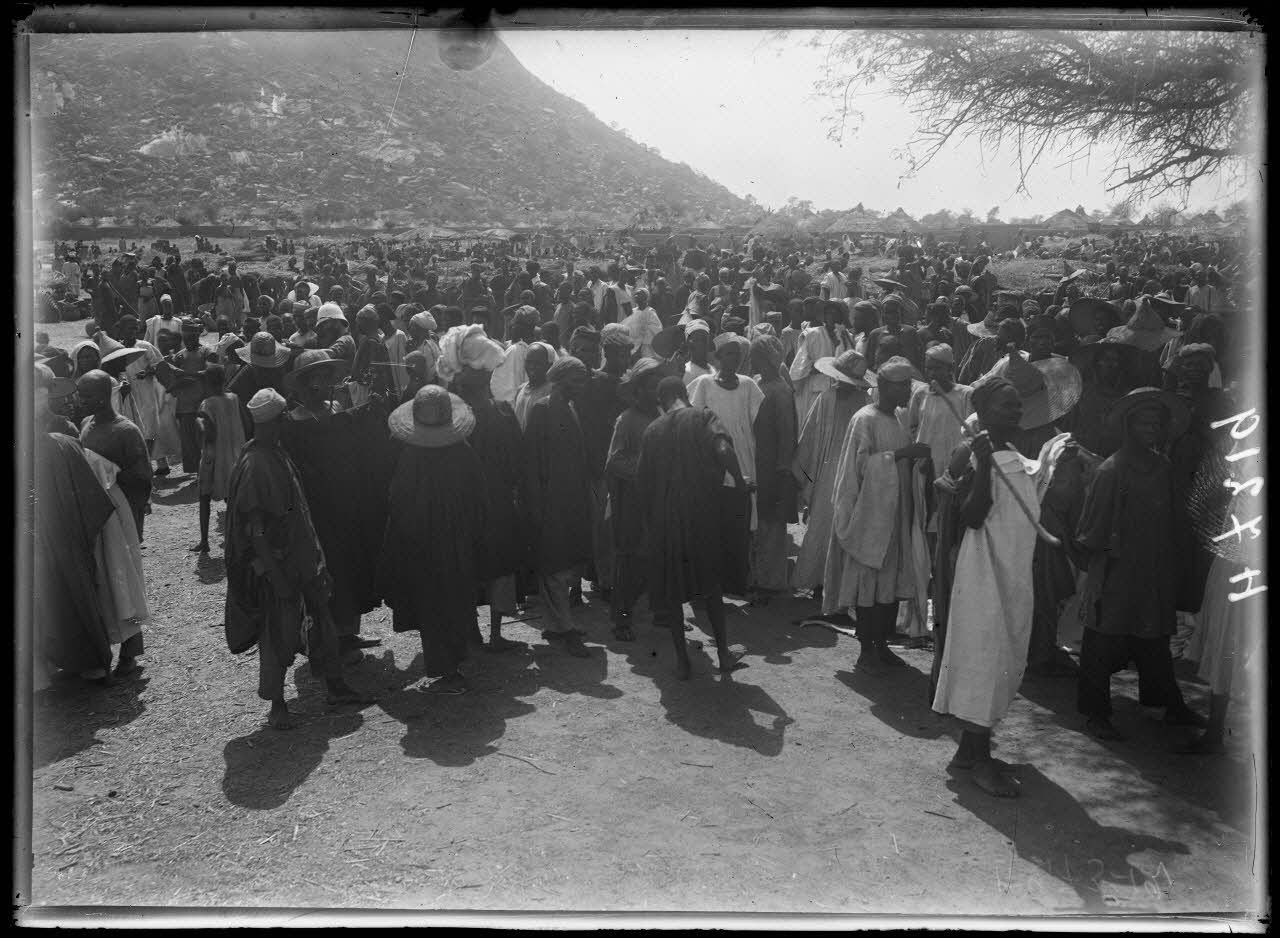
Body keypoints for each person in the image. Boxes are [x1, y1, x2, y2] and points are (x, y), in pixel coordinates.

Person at [223, 389, 374, 729]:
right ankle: (277, 706)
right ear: (274, 421)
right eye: (282, 418)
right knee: (278, 637)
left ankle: (336, 686)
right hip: (278, 567)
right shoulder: (256, 465)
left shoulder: (275, 452)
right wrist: (276, 576)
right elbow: (256, 530)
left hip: (302, 561)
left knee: (323, 623)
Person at [931, 375, 1045, 798]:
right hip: (982, 572)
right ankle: (980, 762)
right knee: (985, 658)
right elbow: (972, 516)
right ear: (981, 410)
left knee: (1001, 654)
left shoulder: (1012, 453)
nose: (1016, 410)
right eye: (1006, 405)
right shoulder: (972, 453)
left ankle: (968, 752)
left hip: (1011, 569)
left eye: (1017, 404)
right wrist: (981, 466)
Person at [1074, 387, 1206, 740]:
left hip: (1155, 568)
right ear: (1129, 426)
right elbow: (1092, 529)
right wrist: (1098, 570)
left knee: (1155, 636)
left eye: (1156, 423)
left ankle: (1165, 703)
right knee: (1102, 639)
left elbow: (1176, 518)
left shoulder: (1163, 466)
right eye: (1144, 423)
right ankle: (1096, 713)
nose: (1150, 429)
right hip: (1116, 570)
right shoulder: (1111, 470)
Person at [820, 357, 931, 671]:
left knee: (890, 584)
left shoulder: (898, 419)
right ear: (884, 386)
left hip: (894, 515)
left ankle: (882, 645)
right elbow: (859, 468)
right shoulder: (864, 419)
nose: (908, 391)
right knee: (868, 583)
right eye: (903, 386)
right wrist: (902, 454)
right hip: (870, 517)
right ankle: (866, 649)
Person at [637, 376, 752, 679]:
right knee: (711, 587)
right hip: (702, 517)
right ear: (684, 394)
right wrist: (740, 484)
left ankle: (682, 662)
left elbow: (643, 484)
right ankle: (724, 654)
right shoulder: (703, 417)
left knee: (673, 593)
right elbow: (724, 450)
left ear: (661, 401)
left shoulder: (652, 431)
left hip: (666, 523)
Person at [282, 349, 394, 657]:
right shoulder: (293, 423)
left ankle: (347, 633)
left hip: (348, 506)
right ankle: (327, 640)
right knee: (327, 572)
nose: (323, 383)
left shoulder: (338, 411)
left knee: (350, 568)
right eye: (316, 377)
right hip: (318, 512)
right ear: (304, 383)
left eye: (326, 376)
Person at [377, 386, 489, 694]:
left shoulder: (410, 456)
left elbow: (397, 502)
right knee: (454, 599)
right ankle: (453, 662)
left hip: (424, 546)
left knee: (434, 605)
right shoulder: (463, 452)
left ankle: (449, 667)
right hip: (455, 544)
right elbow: (480, 499)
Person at [448, 326, 529, 652]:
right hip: (497, 501)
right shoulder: (502, 413)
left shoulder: (452, 417)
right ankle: (495, 634)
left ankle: (472, 632)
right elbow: (517, 461)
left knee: (468, 565)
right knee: (499, 566)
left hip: (463, 503)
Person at [523, 356, 594, 657]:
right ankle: (564, 628)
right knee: (554, 566)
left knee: (564, 563)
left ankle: (557, 623)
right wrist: (536, 505)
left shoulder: (570, 407)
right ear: (561, 380)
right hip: (550, 499)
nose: (581, 386)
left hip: (570, 499)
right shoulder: (542, 410)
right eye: (576, 380)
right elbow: (531, 463)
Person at [791, 350, 874, 598]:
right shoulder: (826, 398)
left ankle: (841, 585)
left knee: (847, 527)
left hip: (853, 472)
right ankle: (819, 582)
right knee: (822, 525)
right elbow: (809, 438)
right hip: (826, 471)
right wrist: (806, 479)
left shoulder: (865, 403)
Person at [605, 358, 665, 640]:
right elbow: (614, 461)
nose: (656, 392)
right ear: (638, 390)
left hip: (660, 499)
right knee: (630, 561)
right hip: (633, 501)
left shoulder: (664, 415)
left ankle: (662, 612)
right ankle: (622, 619)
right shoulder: (627, 420)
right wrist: (646, 469)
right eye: (651, 386)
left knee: (661, 556)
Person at [747, 335, 797, 604]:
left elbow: (787, 436)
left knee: (771, 524)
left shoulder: (780, 391)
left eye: (755, 356)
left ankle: (772, 581)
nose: (752, 361)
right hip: (757, 463)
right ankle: (759, 577)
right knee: (760, 523)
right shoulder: (757, 383)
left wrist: (783, 469)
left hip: (773, 468)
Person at [77, 370, 153, 542]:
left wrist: (107, 471)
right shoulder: (86, 423)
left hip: (122, 508)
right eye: (80, 395)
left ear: (104, 396)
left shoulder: (127, 431)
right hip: (95, 508)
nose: (81, 401)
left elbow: (143, 477)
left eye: (87, 396)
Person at [190, 362, 245, 554]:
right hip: (234, 456)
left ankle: (204, 541)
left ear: (207, 383)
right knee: (232, 499)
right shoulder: (234, 398)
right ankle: (237, 538)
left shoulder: (208, 404)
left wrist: (198, 421)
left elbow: (209, 434)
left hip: (213, 456)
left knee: (204, 497)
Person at [789, 300, 854, 428]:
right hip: (816, 391)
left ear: (841, 316)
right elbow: (798, 368)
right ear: (824, 315)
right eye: (829, 313)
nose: (831, 317)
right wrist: (817, 368)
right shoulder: (813, 334)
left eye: (835, 313)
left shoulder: (847, 337)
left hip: (840, 393)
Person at [513, 341, 555, 432]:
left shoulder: (551, 392)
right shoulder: (521, 389)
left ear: (549, 365)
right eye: (528, 362)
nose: (532, 366)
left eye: (538, 363)